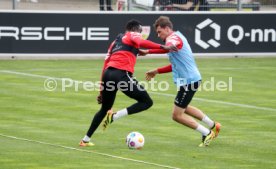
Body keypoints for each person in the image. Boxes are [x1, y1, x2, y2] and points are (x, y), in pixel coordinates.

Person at [79, 19, 177, 147]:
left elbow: (105, 66)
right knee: (147, 102)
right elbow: (140, 41)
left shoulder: (114, 43)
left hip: (108, 74)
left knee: (104, 108)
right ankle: (114, 116)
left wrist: (101, 90)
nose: (140, 35)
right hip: (121, 75)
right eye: (140, 32)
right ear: (136, 30)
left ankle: (85, 140)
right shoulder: (132, 33)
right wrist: (163, 46)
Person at [140, 16, 220, 147]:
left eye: (160, 32)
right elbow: (175, 65)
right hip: (190, 80)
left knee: (177, 115)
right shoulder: (175, 39)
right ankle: (213, 125)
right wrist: (156, 71)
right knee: (184, 108)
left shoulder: (174, 38)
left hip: (189, 81)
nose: (158, 35)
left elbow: (170, 45)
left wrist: (148, 51)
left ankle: (206, 133)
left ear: (167, 28)